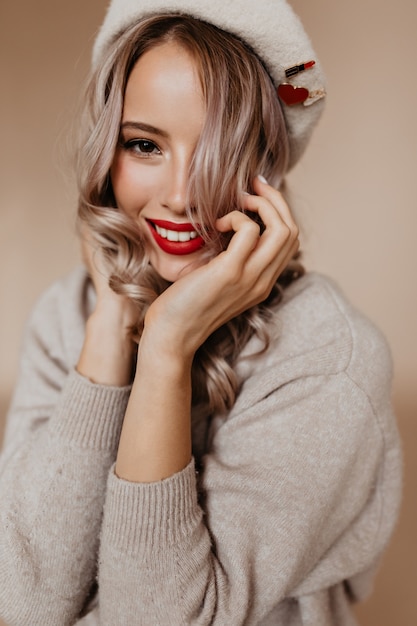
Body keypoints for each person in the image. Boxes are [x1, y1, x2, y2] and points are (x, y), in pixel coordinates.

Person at [0, 1, 402, 624]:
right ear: (108, 154)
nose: (182, 194)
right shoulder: (66, 317)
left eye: (218, 148)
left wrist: (165, 348)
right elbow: (20, 604)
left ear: (267, 167)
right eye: (144, 145)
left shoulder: (328, 359)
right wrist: (113, 318)